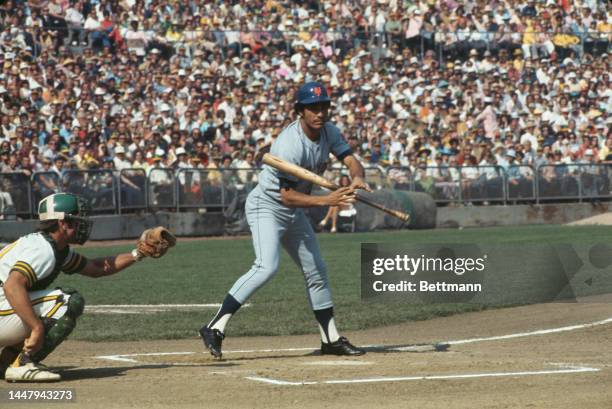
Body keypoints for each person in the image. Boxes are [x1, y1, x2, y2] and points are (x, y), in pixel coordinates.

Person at [199, 82, 370, 358]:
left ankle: (330, 339)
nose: (320, 112)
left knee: (317, 270)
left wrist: (358, 176)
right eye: (313, 108)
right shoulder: (289, 144)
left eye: (324, 106)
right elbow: (286, 196)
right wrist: (328, 200)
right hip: (267, 206)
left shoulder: (329, 131)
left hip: (294, 210)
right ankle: (214, 327)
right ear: (300, 111)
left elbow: (349, 159)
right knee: (266, 266)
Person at [0, 193, 174, 382]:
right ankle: (23, 363)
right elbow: (13, 285)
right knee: (66, 301)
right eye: (77, 219)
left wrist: (137, 253)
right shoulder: (43, 250)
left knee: (47, 305)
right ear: (63, 222)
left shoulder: (52, 247)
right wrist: (36, 328)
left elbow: (97, 268)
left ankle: (6, 363)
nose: (83, 224)